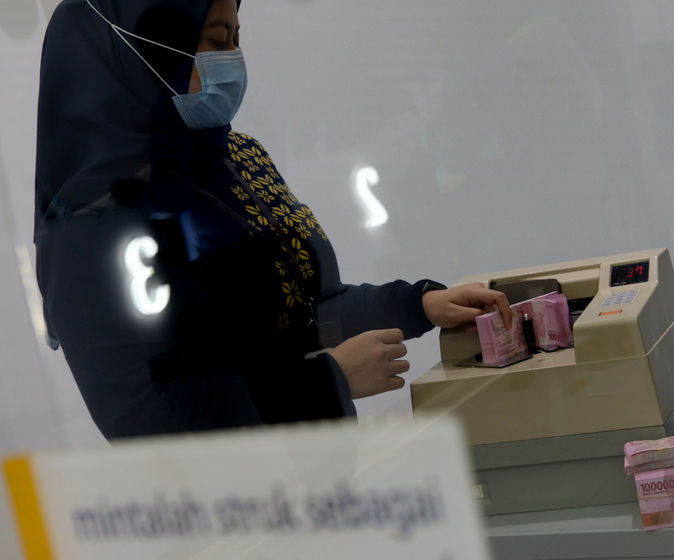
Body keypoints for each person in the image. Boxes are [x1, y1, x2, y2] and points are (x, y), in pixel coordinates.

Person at [33, 0, 512, 439]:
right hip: (230, 513)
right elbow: (140, 417)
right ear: (143, 53)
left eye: (237, 40)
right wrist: (328, 382)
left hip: (325, 477)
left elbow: (308, 309)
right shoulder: (91, 224)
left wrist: (420, 304)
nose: (234, 60)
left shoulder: (236, 157)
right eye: (217, 41)